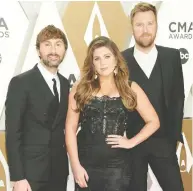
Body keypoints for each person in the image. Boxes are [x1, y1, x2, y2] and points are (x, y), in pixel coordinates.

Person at [65, 36, 160, 191]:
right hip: (86, 165)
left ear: (116, 59)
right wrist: (75, 166)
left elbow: (154, 121)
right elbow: (70, 128)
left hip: (118, 167)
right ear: (92, 64)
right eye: (97, 58)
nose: (103, 63)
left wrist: (131, 142)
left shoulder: (130, 88)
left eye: (107, 56)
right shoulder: (80, 88)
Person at [122, 2, 184, 191]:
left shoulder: (172, 57)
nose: (145, 30)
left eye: (150, 23)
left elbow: (177, 99)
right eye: (139, 25)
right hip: (132, 144)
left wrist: (172, 138)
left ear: (157, 25)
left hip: (164, 142)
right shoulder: (120, 60)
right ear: (132, 28)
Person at [5, 25, 69, 191]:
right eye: (47, 44)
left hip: (59, 172)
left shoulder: (65, 84)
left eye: (58, 44)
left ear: (65, 50)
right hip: (30, 174)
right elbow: (13, 133)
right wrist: (18, 177)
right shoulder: (21, 83)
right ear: (38, 50)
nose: (53, 50)